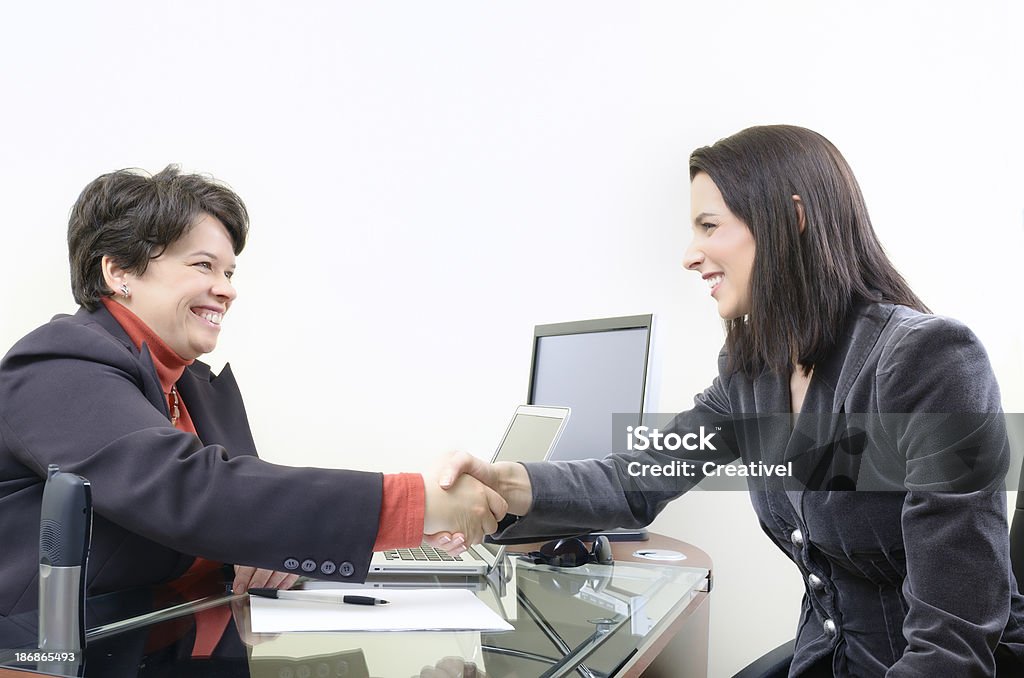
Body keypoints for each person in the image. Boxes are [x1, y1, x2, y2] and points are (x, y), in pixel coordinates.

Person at [433, 125, 1024, 676]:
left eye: (709, 226)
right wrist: (506, 484)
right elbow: (638, 478)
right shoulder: (754, 375)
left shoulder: (927, 360)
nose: (690, 255)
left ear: (789, 220)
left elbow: (953, 638)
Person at [0, 166, 507, 622]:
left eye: (228, 272)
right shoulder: (57, 365)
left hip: (172, 637)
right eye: (203, 266)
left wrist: (264, 543)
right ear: (119, 272)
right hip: (46, 652)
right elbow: (193, 492)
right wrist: (412, 504)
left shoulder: (192, 387)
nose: (227, 289)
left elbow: (242, 510)